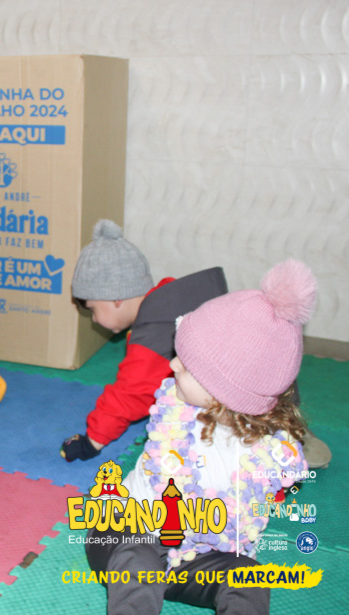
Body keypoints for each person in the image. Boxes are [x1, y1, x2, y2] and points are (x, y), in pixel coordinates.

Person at [85, 259, 315, 615]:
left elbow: (269, 491)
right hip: (129, 534)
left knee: (249, 576)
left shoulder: (265, 450)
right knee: (135, 557)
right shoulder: (174, 406)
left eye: (187, 364)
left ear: (224, 391)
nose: (173, 364)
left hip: (198, 556)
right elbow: (128, 393)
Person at [60, 219, 228, 461]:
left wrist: (91, 441)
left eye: (93, 310)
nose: (94, 320)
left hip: (235, 414)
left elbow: (130, 394)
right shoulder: (168, 304)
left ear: (115, 298)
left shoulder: (152, 337)